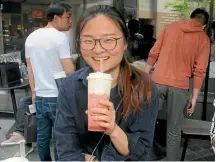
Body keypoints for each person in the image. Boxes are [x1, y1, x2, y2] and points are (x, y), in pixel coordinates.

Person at [55, 5, 159, 161]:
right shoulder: (70, 87)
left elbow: (140, 152)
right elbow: (65, 151)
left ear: (125, 43)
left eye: (109, 40)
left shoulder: (144, 87)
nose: (98, 50)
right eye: (88, 40)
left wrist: (113, 130)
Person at [144, 8, 210, 160]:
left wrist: (145, 76)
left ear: (190, 18)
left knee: (147, 122)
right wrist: (194, 98)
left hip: (157, 82)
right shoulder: (203, 39)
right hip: (180, 86)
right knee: (173, 131)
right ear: (204, 25)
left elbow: (154, 53)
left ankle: (143, 157)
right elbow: (200, 71)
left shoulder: (171, 27)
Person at [25, 2, 75, 161]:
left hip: (40, 96)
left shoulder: (31, 37)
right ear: (56, 17)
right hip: (58, 96)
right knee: (61, 136)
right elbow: (69, 71)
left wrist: (34, 92)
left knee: (43, 135)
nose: (70, 21)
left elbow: (30, 68)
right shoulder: (60, 37)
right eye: (67, 17)